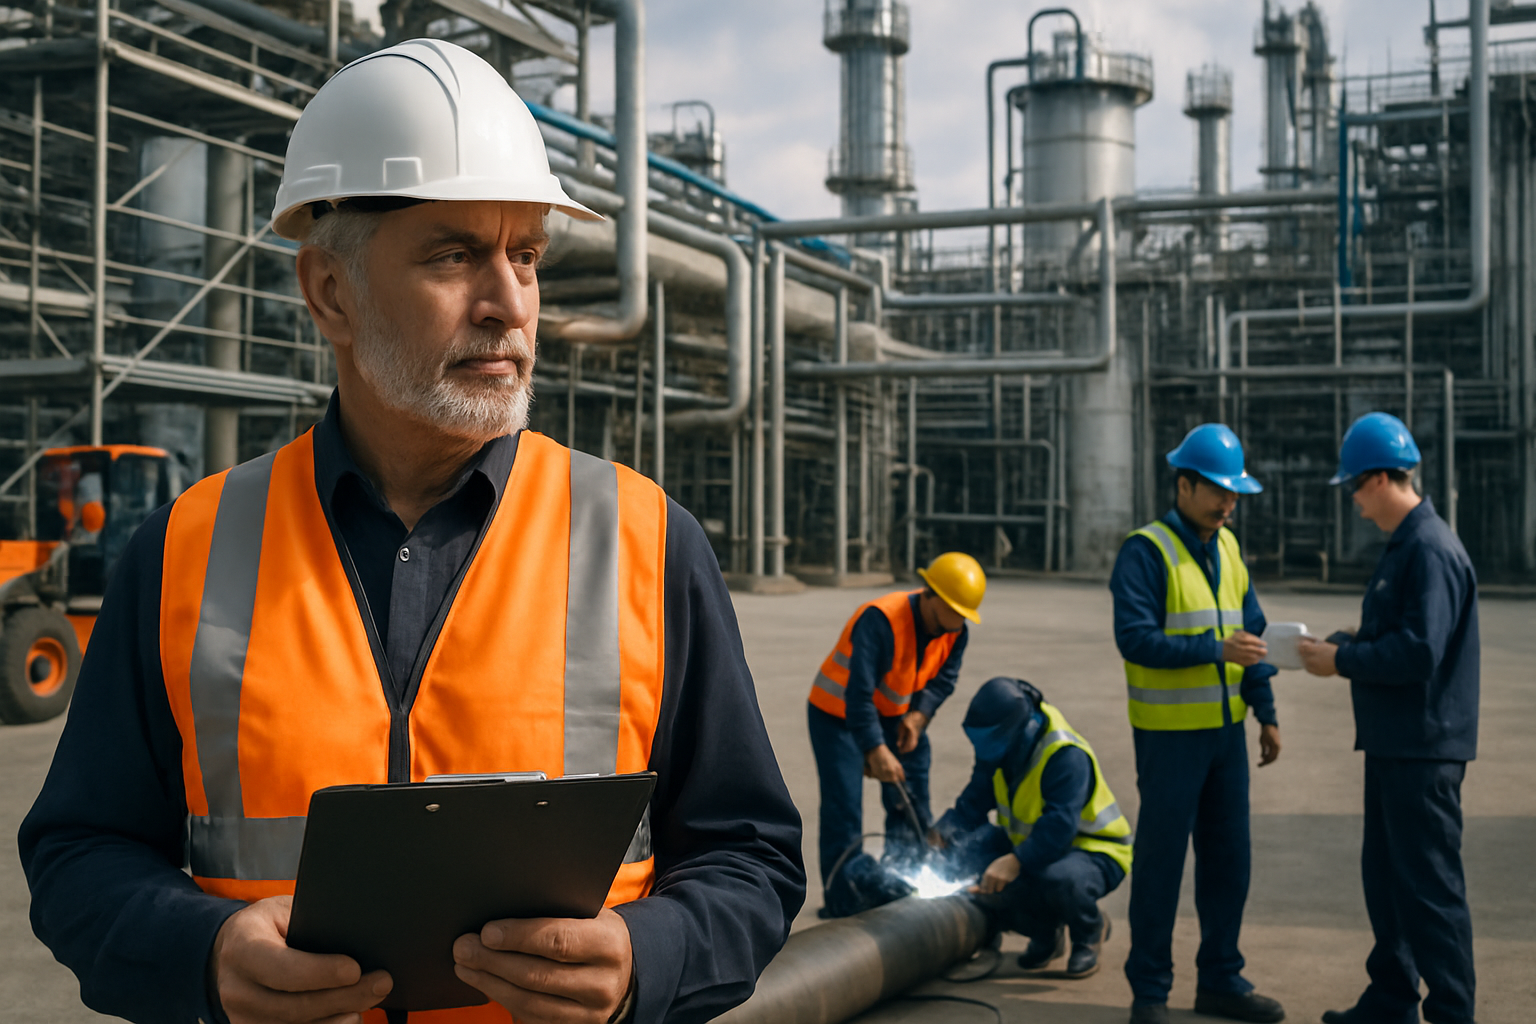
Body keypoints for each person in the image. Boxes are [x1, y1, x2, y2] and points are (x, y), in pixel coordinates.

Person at [19, 40, 804, 1024]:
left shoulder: (646, 540)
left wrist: (649, 959)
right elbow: (79, 853)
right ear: (329, 293)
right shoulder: (187, 547)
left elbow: (753, 857)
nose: (509, 302)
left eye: (525, 256)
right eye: (453, 255)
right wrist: (202, 952)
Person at [1298, 412, 1478, 1024]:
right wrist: (1352, 637)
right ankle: (1392, 998)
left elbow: (1421, 652)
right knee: (1390, 881)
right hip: (1398, 742)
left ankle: (1452, 1012)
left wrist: (1342, 661)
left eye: (1352, 486)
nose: (1352, 500)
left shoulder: (1427, 548)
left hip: (1422, 750)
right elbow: (1404, 633)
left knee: (1429, 890)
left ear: (1379, 478)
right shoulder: (1407, 547)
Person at [1110, 423, 1285, 1024]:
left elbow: (1252, 635)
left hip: (1225, 737)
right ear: (1183, 486)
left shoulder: (1229, 547)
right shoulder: (1146, 550)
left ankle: (1221, 980)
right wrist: (1216, 651)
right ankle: (1150, 993)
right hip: (1168, 740)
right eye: (1217, 491)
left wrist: (1266, 712)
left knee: (1228, 859)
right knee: (1161, 864)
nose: (1228, 503)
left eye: (1235, 494)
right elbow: (1135, 640)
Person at [806, 552, 984, 917]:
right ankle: (841, 901)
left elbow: (944, 680)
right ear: (931, 595)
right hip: (837, 713)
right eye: (955, 611)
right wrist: (874, 749)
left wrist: (918, 718)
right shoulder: (881, 619)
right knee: (844, 807)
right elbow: (858, 695)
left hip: (895, 715)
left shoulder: (956, 631)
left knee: (911, 791)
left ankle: (902, 881)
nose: (959, 622)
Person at [930, 677, 1131, 978]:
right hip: (1032, 844)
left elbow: (1059, 827)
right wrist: (945, 831)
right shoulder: (999, 749)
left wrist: (1016, 861)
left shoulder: (1065, 755)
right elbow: (974, 800)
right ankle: (1046, 933)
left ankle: (1090, 931)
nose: (982, 752)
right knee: (967, 859)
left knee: (1059, 878)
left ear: (1016, 730)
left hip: (1092, 850)